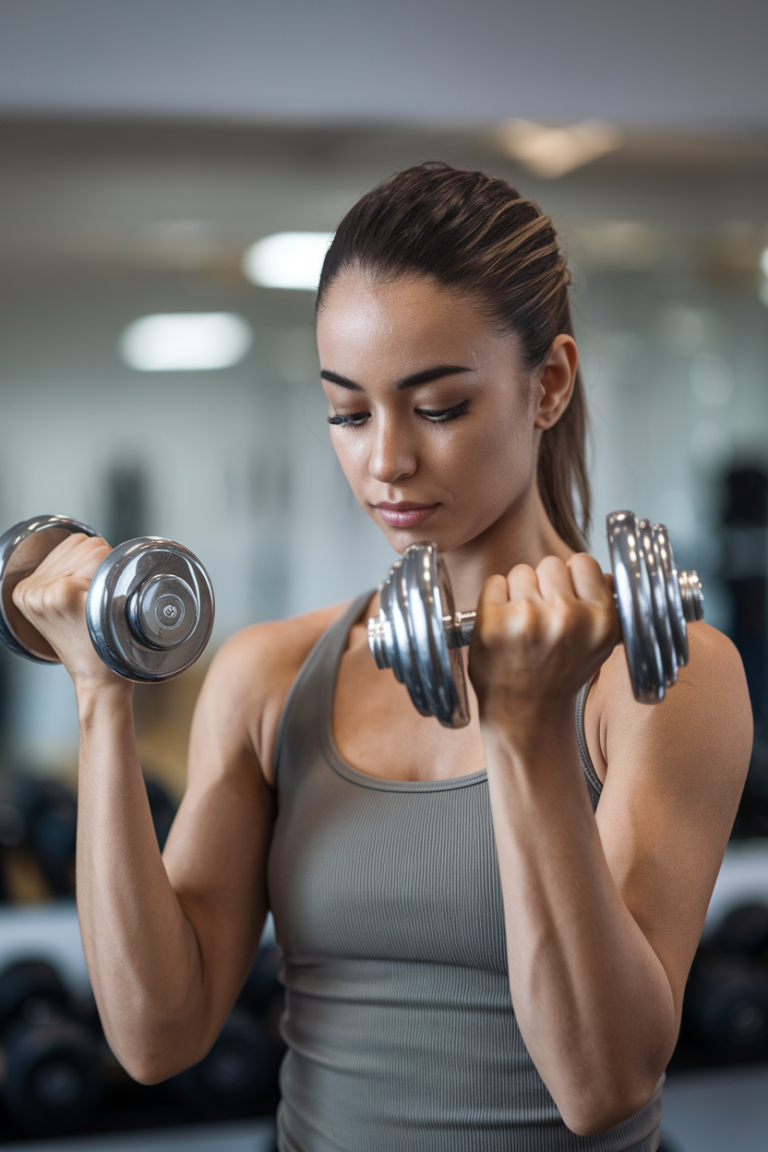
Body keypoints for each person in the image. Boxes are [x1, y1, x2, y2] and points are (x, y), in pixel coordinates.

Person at [13, 163, 751, 1152]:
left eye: (438, 406)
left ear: (551, 384)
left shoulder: (665, 679)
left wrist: (527, 730)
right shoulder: (271, 677)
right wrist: (100, 686)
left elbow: (606, 1083)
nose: (386, 461)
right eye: (349, 412)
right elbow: (158, 1036)